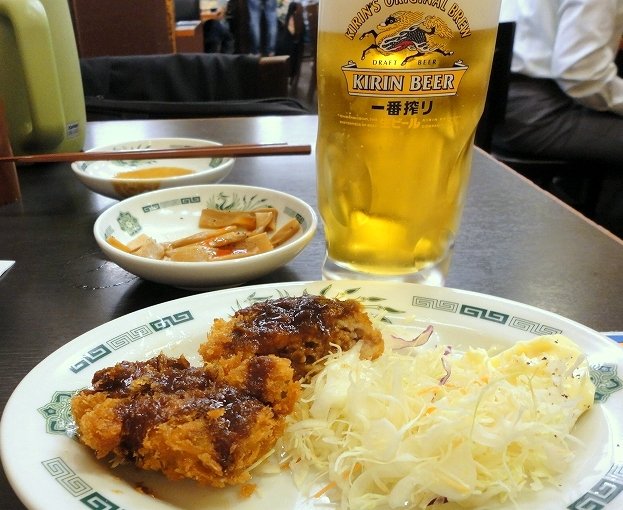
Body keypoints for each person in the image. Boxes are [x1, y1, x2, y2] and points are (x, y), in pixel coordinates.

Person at [493, 0, 623, 237]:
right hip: (532, 113)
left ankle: (578, 212)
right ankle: (605, 242)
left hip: (498, 101)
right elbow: (582, 76)